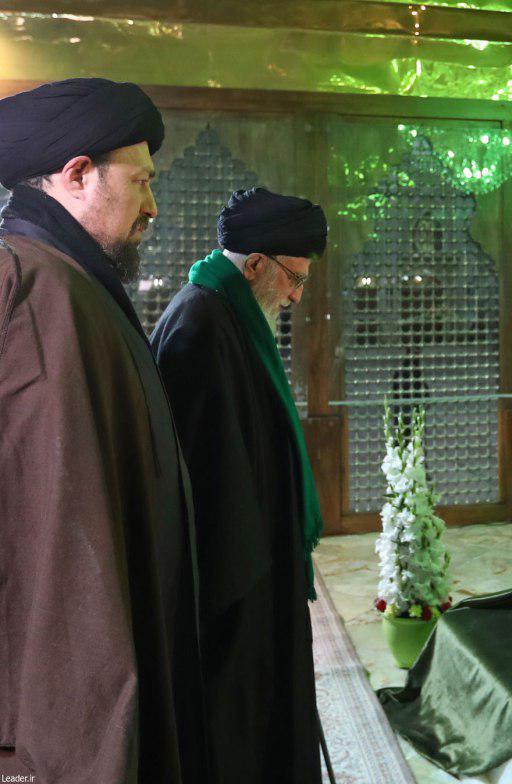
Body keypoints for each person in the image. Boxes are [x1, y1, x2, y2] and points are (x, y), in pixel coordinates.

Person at [0, 78, 207, 782]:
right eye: (141, 181)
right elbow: (51, 542)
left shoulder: (71, 279)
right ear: (78, 174)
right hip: (68, 715)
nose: (153, 205)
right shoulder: (31, 287)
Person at [150, 187, 327, 783]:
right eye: (294, 279)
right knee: (238, 728)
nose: (296, 296)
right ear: (254, 264)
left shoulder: (229, 313)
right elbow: (201, 480)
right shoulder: (200, 323)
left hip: (260, 566)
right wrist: (249, 592)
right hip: (233, 586)